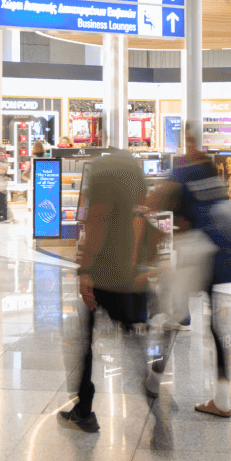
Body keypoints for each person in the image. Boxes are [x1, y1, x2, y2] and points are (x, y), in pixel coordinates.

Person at [144, 131, 231, 417]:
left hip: (193, 249)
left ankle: (153, 380)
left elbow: (160, 202)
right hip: (219, 249)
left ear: (188, 142)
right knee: (214, 326)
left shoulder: (183, 169)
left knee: (169, 315)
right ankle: (222, 399)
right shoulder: (211, 169)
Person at [59, 149, 150, 434]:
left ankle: (84, 410)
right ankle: (155, 400)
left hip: (103, 274)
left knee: (84, 343)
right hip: (128, 273)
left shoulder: (101, 172)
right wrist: (135, 263)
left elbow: (96, 222)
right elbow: (140, 218)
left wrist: (85, 271)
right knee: (134, 343)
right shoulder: (134, 172)